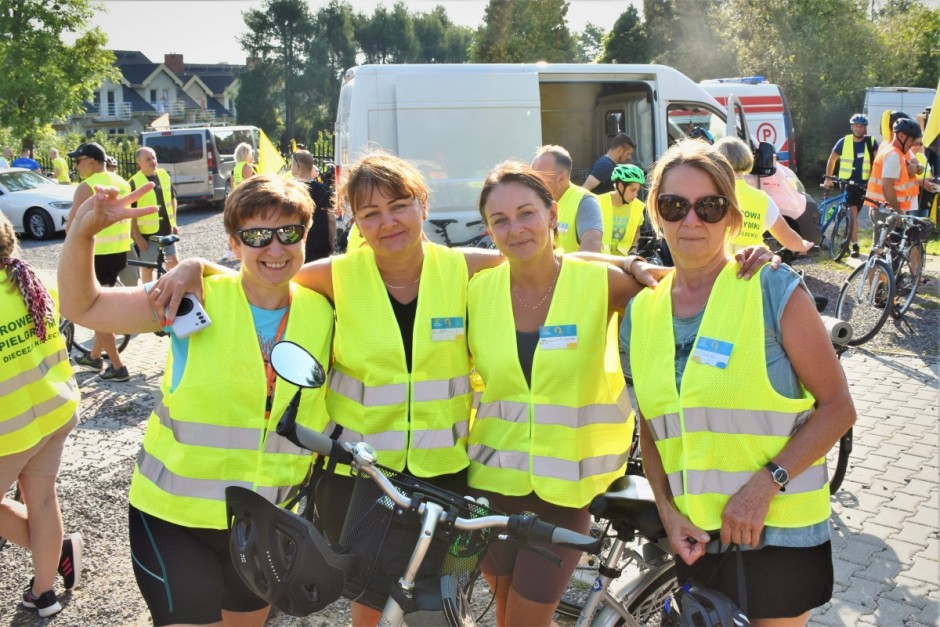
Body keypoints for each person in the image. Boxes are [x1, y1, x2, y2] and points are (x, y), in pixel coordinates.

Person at [58, 174, 334, 627]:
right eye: (257, 236)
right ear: (234, 241)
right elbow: (82, 307)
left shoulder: (323, 313)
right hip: (173, 518)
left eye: (289, 233)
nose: (275, 248)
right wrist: (82, 234)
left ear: (306, 235)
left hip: (263, 523)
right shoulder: (191, 299)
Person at [623, 139, 856, 625]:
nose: (691, 220)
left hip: (780, 534)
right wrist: (666, 510)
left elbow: (838, 407)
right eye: (674, 205)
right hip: (697, 537)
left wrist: (763, 488)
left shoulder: (771, 289)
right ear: (655, 215)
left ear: (732, 218)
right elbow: (651, 426)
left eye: (708, 207)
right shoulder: (639, 312)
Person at [467, 161, 650, 626]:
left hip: (566, 490)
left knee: (526, 619)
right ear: (488, 230)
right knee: (505, 612)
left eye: (526, 213)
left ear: (553, 215)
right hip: (490, 482)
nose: (515, 229)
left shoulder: (597, 283)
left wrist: (752, 263)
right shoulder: (476, 291)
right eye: (500, 220)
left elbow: (687, 281)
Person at [0, 212, 83, 618]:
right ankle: (44, 590)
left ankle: (53, 555)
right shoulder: (24, 277)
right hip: (53, 410)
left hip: (11, 428)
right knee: (43, 502)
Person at [64, 142, 133, 382]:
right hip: (119, 252)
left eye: (78, 161)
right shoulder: (122, 182)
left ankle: (117, 365)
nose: (76, 165)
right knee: (100, 302)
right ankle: (94, 357)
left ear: (91, 161)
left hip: (96, 254)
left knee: (95, 309)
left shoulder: (87, 186)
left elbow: (72, 225)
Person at [714, 136, 813, 255]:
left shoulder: (708, 195)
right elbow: (788, 237)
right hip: (754, 265)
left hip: (717, 265)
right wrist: (803, 245)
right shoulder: (761, 199)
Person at [531, 145, 604, 252]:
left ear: (561, 178)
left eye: (539, 176)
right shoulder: (535, 201)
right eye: (531, 175)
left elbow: (592, 244)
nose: (533, 181)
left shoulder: (585, 201)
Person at [824, 114, 878, 257]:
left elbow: (878, 162)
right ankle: (854, 245)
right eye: (856, 125)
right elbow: (832, 160)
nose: (858, 128)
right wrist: (828, 179)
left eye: (861, 126)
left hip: (862, 184)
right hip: (846, 183)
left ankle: (846, 240)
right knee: (852, 212)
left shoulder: (871, 142)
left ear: (865, 128)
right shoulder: (844, 141)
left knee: (854, 214)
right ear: (851, 127)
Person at [129, 147, 180, 283]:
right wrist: (137, 237)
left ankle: (173, 292)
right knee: (148, 268)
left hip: (166, 230)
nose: (152, 161)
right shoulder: (134, 182)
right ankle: (148, 296)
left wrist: (174, 222)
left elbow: (172, 199)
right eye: (148, 159)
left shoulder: (163, 175)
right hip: (147, 236)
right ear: (139, 163)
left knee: (174, 263)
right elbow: (130, 214)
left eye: (154, 157)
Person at [290, 150, 336, 261]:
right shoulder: (325, 190)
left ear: (297, 166)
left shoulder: (289, 190)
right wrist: (332, 243)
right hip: (320, 245)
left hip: (295, 244)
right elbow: (331, 220)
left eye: (292, 163)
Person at [598, 163, 647, 255]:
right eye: (632, 190)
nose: (636, 195)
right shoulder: (598, 202)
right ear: (621, 186)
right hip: (600, 260)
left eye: (637, 190)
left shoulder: (637, 207)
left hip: (623, 261)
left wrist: (634, 248)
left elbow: (636, 232)